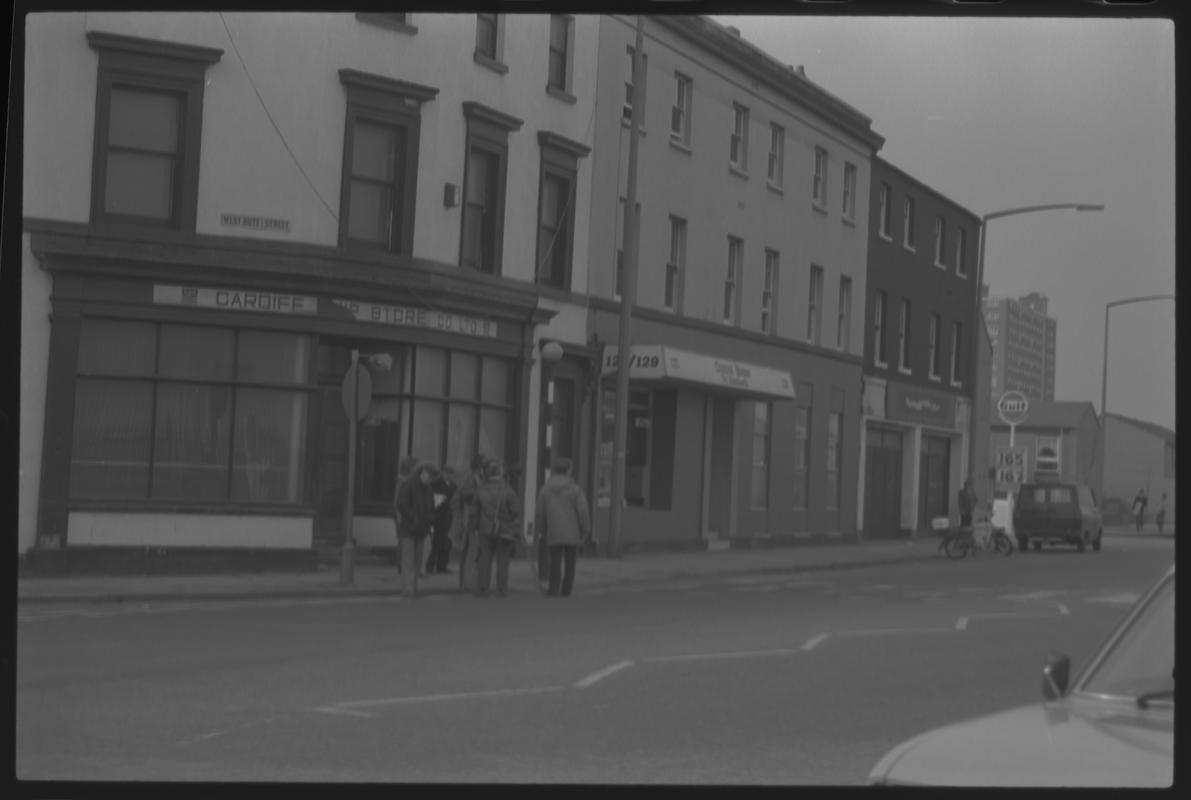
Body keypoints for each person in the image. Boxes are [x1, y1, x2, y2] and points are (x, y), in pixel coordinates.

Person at [535, 457, 592, 597]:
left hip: (553, 531)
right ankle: (566, 590)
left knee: (555, 562)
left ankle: (553, 589)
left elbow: (540, 512)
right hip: (572, 532)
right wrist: (585, 530)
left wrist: (542, 529)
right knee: (570, 563)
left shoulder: (545, 489)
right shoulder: (575, 490)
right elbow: (583, 512)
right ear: (569, 470)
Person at [473, 460, 522, 598]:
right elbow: (515, 511)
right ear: (500, 473)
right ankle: (501, 589)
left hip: (485, 529)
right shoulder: (507, 490)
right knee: (503, 561)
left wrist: (473, 528)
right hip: (505, 529)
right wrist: (516, 528)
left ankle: (483, 589)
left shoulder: (480, 489)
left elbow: (474, 512)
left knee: (484, 560)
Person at [395, 461, 438, 597]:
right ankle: (408, 590)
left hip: (422, 530)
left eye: (431, 478)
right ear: (423, 472)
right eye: (429, 476)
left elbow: (431, 507)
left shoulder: (429, 489)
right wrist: (414, 518)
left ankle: (413, 588)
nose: (429, 480)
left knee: (417, 562)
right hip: (408, 529)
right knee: (408, 561)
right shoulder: (408, 484)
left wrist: (430, 519)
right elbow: (401, 504)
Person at [425, 465, 457, 575]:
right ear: (443, 473)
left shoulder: (454, 486)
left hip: (448, 517)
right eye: (447, 473)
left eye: (451, 473)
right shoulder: (435, 484)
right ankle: (430, 566)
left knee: (446, 542)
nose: (449, 475)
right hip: (437, 517)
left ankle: (442, 566)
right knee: (435, 542)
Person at [391, 455, 418, 573]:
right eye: (415, 467)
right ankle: (402, 566)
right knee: (403, 541)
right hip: (402, 515)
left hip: (403, 514)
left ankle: (403, 566)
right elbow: (398, 501)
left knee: (404, 541)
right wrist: (400, 516)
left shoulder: (405, 481)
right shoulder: (403, 481)